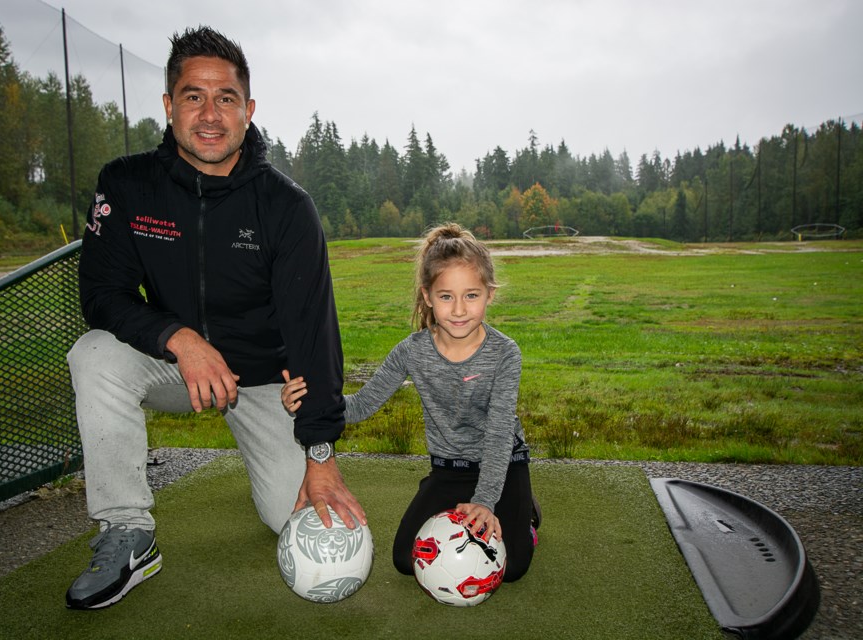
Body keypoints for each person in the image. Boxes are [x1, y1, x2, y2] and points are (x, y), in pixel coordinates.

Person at [65, 26, 365, 610]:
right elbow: (102, 294)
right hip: (176, 365)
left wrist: (321, 454)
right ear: (169, 105)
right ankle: (127, 530)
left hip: (262, 384)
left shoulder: (286, 205)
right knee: (94, 353)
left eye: (225, 98)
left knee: (296, 519)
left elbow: (314, 334)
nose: (209, 113)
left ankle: (271, 469)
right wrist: (178, 338)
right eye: (193, 95)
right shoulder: (127, 185)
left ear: (247, 111)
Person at [282, 223, 538, 584]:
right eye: (447, 296)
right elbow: (358, 407)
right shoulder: (412, 350)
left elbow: (498, 434)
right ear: (428, 296)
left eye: (472, 295)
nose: (460, 309)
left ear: (490, 294)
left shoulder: (505, 354)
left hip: (503, 465)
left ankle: (526, 513)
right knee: (406, 559)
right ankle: (443, 495)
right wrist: (307, 402)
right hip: (449, 468)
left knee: (511, 568)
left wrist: (485, 500)